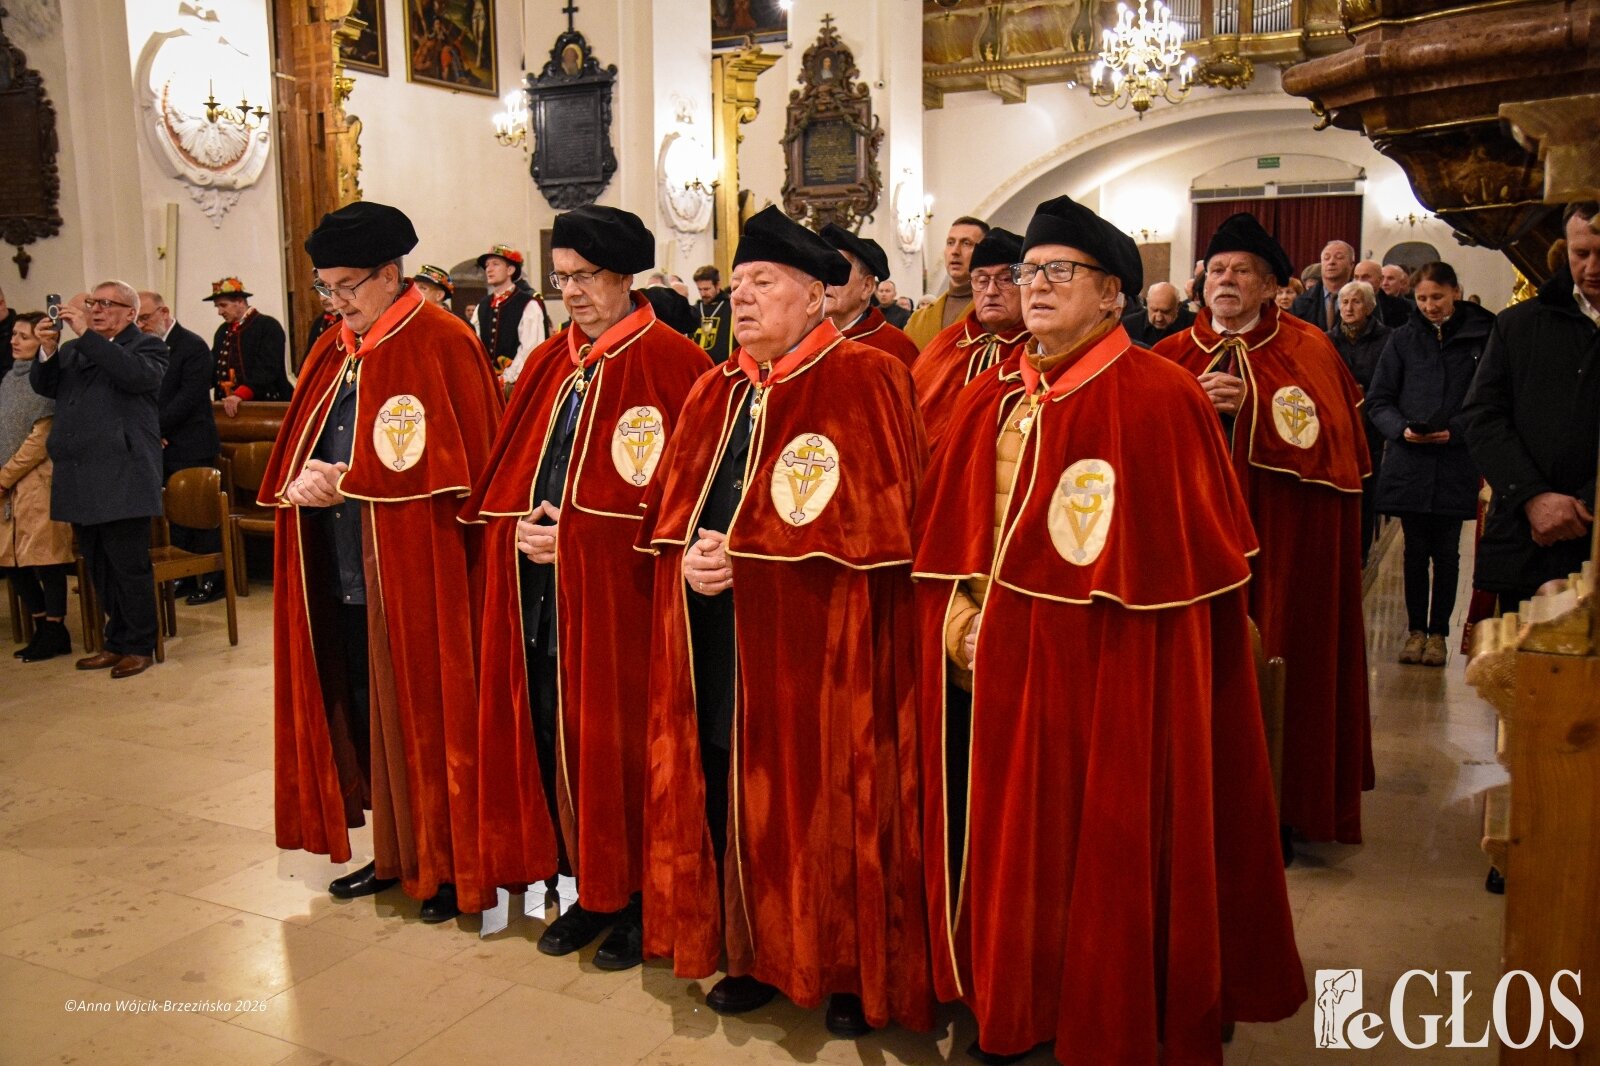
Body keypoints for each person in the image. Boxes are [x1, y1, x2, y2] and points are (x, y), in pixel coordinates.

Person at [916, 193, 1305, 1066]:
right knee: (1004, 858)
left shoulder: (1160, 400)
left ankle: (1097, 1015)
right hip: (988, 679)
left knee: (1094, 864)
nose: (1036, 285)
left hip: (1108, 695)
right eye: (1030, 271)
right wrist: (960, 625)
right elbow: (948, 552)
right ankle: (1009, 1003)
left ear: (1111, 295)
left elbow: (1175, 599)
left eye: (1062, 271)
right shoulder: (988, 400)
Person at [639, 205, 932, 1038]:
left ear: (815, 296)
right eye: (736, 284)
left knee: (827, 803)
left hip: (824, 647)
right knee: (731, 786)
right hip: (721, 637)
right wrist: (689, 556)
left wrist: (756, 561)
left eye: (762, 282)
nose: (742, 297)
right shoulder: (715, 388)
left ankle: (845, 964)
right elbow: (676, 510)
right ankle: (754, 950)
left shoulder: (866, 378)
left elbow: (885, 531)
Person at [461, 205, 711, 971]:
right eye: (561, 277)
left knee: (622, 749)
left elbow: (685, 502)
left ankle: (639, 900)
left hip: (625, 604)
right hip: (542, 596)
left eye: (585, 277)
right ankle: (585, 887)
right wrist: (519, 529)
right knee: (551, 736)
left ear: (625, 277)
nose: (570, 292)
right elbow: (512, 478)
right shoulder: (548, 365)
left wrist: (576, 538)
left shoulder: (674, 364)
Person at [259, 201, 502, 922]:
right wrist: (306, 478)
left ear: (390, 275)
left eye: (347, 287)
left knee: (430, 722)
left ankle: (452, 863)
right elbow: (311, 441)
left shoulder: (442, 340)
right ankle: (396, 852)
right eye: (326, 288)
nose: (336, 302)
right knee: (372, 717)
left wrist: (353, 479)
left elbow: (475, 468)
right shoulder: (335, 349)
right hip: (344, 563)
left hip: (421, 568)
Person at [1155, 213, 1373, 857]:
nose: (1226, 281)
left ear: (1272, 285)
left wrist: (1250, 407)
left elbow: (1335, 446)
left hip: (1281, 545)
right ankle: (1185, 802)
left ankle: (1279, 806)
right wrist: (1189, 406)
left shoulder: (1308, 348)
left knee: (1277, 664)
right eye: (1217, 270)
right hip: (1189, 546)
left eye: (1242, 271)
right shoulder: (1168, 356)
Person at [1463, 201, 1599, 610]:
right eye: (1581, 253)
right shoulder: (1519, 324)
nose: (1592, 267)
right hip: (1529, 536)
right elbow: (1482, 415)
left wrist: (1588, 503)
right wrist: (1533, 498)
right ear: (1564, 249)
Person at [31, 281, 168, 679]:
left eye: (108, 303)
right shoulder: (76, 349)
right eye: (93, 303)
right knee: (99, 567)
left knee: (128, 566)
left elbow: (133, 376)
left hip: (123, 473)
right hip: (80, 473)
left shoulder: (147, 346)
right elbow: (46, 386)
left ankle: (139, 646)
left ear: (130, 313)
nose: (97, 309)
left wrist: (87, 337)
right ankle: (116, 641)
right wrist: (48, 349)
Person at [1365, 262, 1490, 667]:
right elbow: (1379, 400)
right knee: (1415, 551)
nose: (1430, 306)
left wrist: (1456, 431)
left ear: (1455, 292)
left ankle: (1439, 634)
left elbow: (1487, 399)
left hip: (1454, 459)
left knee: (1447, 553)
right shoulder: (1403, 339)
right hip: (1411, 460)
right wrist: (1401, 429)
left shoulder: (1481, 336)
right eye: (1421, 298)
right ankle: (1415, 630)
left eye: (1437, 297)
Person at [138, 291, 224, 604]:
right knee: (174, 517)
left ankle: (213, 579)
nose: (141, 325)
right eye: (137, 319)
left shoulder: (191, 345)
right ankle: (184, 576)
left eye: (145, 317)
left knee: (200, 515)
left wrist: (155, 428)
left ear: (164, 312)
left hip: (191, 442)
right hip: (161, 444)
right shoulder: (143, 348)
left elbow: (189, 398)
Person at [911, 227, 1030, 449]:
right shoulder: (944, 344)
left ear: (1026, 284)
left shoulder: (1039, 348)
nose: (991, 291)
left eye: (1005, 279)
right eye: (981, 280)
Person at [2, 312, 76, 661]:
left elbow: (40, 440)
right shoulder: (8, 379)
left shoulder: (45, 380)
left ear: (42, 341)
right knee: (10, 561)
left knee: (46, 559)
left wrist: (4, 477)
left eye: (24, 336)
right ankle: (41, 622)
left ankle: (55, 627)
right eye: (14, 335)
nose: (14, 341)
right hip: (8, 484)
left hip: (38, 481)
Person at [1326, 280, 1393, 563]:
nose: (1349, 308)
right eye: (1344, 302)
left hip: (1370, 425)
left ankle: (1360, 553)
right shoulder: (1328, 340)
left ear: (1369, 307)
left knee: (1365, 488)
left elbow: (1388, 380)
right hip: (1336, 424)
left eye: (1356, 302)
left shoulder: (1387, 339)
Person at [819, 223, 920, 366]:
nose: (826, 281)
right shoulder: (803, 339)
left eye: (838, 271)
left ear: (867, 287)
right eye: (821, 270)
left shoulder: (897, 347)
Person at [207, 277, 292, 419]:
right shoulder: (222, 331)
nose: (220, 312)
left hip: (264, 408)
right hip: (227, 409)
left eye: (223, 305)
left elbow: (268, 368)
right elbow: (212, 365)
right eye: (217, 307)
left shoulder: (268, 326)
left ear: (240, 302)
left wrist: (241, 394)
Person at [470, 244, 551, 391]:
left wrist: (507, 378)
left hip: (517, 386)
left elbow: (530, 349)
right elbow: (476, 344)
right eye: (487, 265)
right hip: (487, 384)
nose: (489, 269)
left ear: (510, 270)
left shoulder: (528, 304)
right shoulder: (482, 306)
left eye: (495, 264)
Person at [905, 216, 990, 348]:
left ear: (985, 252)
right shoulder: (918, 320)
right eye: (950, 243)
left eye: (966, 243)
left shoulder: (994, 313)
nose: (955, 251)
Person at [1291, 240, 1356, 330]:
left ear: (1351, 264)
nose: (1331, 262)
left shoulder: (1365, 299)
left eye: (1339, 257)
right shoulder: (1301, 302)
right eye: (1326, 258)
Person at [1122, 279, 1194, 347]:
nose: (1159, 318)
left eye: (1165, 312)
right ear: (1147, 303)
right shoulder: (1129, 325)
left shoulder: (1193, 325)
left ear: (1178, 306)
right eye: (1154, 310)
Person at [690, 265, 734, 363]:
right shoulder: (695, 310)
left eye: (706, 289)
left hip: (722, 366)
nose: (703, 294)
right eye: (699, 289)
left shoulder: (731, 307)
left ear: (717, 285)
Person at [1355, 258, 1412, 326]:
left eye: (1366, 277)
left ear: (1380, 279)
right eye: (1356, 277)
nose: (1360, 281)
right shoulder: (1346, 302)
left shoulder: (1400, 307)